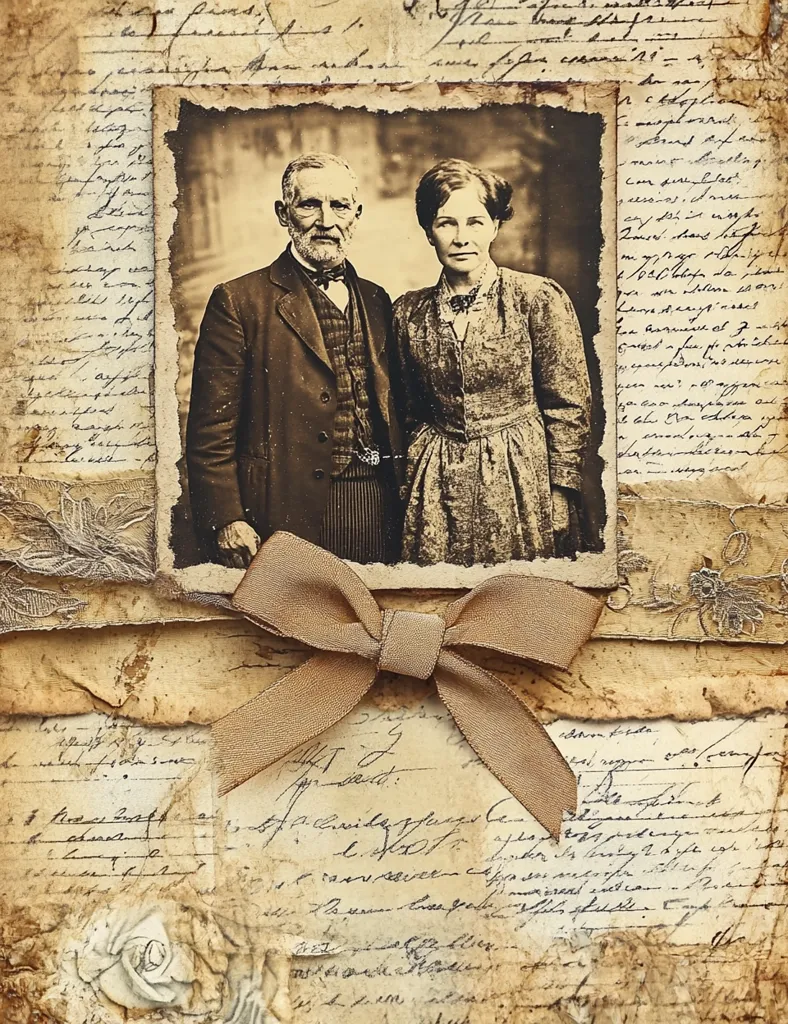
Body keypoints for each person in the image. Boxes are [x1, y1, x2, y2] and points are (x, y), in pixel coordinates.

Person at [186, 152, 404, 568]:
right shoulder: (238, 301)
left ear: (356, 215)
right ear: (283, 213)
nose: (326, 221)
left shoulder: (377, 299)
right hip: (285, 511)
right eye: (309, 205)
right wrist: (227, 517)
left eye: (339, 206)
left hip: (377, 506)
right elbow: (210, 432)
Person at [392, 158, 592, 567]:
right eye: (446, 223)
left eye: (475, 222)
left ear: (495, 226)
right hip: (436, 484)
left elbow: (569, 405)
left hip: (521, 478)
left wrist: (559, 494)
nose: (461, 238)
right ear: (428, 231)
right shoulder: (408, 313)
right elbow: (408, 409)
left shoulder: (536, 299)